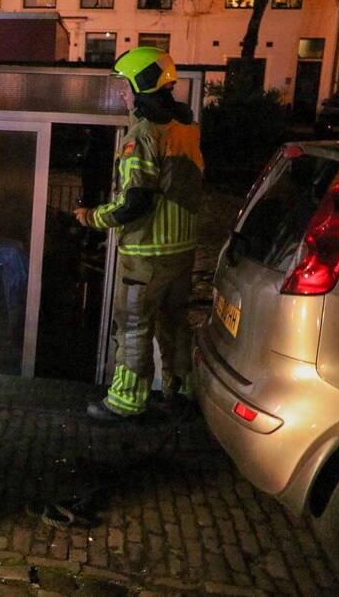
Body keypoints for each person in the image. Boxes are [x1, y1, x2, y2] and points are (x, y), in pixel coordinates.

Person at [74, 47, 204, 422]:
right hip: (182, 252)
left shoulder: (143, 135)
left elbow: (133, 203)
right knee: (173, 323)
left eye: (126, 86)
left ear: (141, 86)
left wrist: (90, 218)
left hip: (146, 254)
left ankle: (126, 401)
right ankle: (180, 391)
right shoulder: (185, 130)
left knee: (133, 326)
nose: (122, 94)